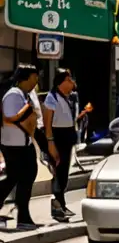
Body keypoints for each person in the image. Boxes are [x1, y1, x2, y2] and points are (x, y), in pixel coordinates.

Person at [0, 65, 42, 230]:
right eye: (34, 77)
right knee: (16, 178)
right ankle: (23, 218)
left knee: (24, 178)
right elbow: (13, 118)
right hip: (14, 145)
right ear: (25, 78)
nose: (36, 81)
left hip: (23, 144)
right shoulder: (13, 95)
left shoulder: (23, 95)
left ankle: (24, 217)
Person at [39, 68, 80, 223]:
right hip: (58, 137)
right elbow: (48, 122)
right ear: (61, 82)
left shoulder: (69, 98)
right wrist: (51, 142)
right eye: (69, 80)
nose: (72, 83)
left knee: (64, 174)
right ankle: (57, 206)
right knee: (58, 172)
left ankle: (62, 204)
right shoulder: (52, 97)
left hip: (68, 136)